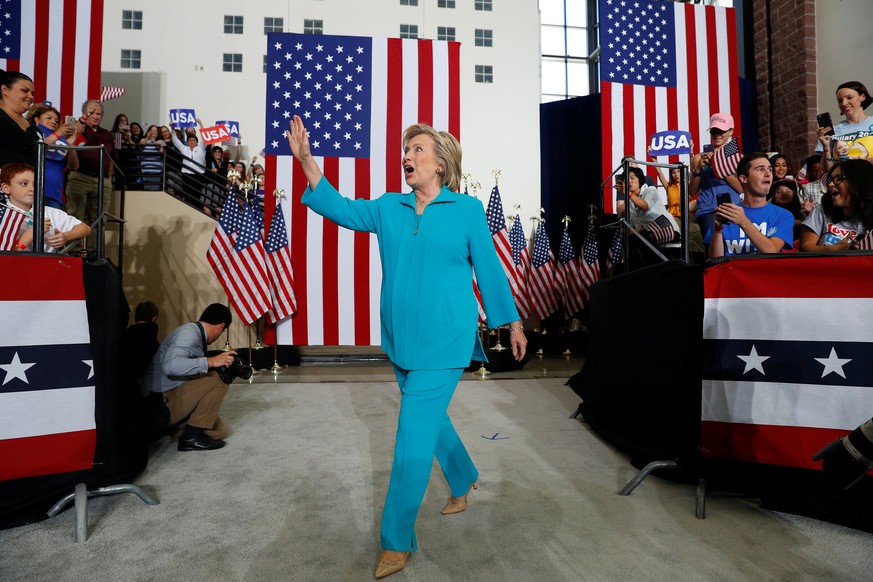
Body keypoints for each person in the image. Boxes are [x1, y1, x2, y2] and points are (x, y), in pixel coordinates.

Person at [286, 114, 526, 579]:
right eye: (406, 151)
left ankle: (396, 540)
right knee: (430, 422)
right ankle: (463, 477)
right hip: (400, 342)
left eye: (418, 150)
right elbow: (340, 208)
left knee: (409, 441)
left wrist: (511, 322)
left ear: (441, 163)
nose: (407, 157)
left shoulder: (467, 209)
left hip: (447, 340)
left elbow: (490, 270)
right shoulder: (388, 208)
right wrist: (308, 163)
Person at [139, 303, 235, 451]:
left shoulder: (196, 333)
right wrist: (211, 361)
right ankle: (190, 437)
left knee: (220, 431)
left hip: (171, 395)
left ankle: (179, 431)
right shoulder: (189, 333)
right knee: (220, 378)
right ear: (220, 327)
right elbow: (170, 366)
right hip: (156, 404)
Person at [707, 153, 794, 258]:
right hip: (732, 273)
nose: (768, 174)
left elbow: (771, 251)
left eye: (770, 169)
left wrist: (743, 221)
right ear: (743, 178)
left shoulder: (783, 215)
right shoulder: (729, 212)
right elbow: (715, 261)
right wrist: (717, 231)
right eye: (760, 169)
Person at [1, 162, 91, 253]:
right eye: (24, 184)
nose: (32, 188)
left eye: (35, 184)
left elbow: (85, 228)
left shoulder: (51, 212)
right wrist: (31, 234)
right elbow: (7, 256)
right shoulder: (3, 216)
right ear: (6, 188)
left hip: (48, 263)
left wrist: (65, 236)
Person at [66, 100, 114, 247]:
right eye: (91, 112)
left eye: (98, 113)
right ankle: (72, 253)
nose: (95, 116)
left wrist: (108, 180)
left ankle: (95, 255)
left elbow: (111, 158)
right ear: (84, 114)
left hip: (102, 180)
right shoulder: (78, 128)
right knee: (75, 216)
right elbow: (76, 130)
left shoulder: (106, 134)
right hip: (80, 177)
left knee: (99, 220)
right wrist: (83, 118)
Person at [799, 159, 873, 252]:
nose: (830, 184)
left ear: (858, 182)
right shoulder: (821, 211)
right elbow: (804, 248)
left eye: (839, 179)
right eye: (830, 180)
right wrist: (832, 249)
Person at [689, 112, 743, 239]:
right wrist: (698, 169)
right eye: (714, 131)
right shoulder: (698, 158)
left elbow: (741, 188)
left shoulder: (738, 158)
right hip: (707, 209)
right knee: (711, 250)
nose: (717, 135)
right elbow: (692, 191)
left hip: (732, 207)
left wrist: (719, 167)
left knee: (732, 248)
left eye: (721, 131)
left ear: (730, 131)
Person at [27, 103, 79, 209]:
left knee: (52, 225)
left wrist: (71, 145)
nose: (53, 121)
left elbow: (73, 166)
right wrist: (58, 133)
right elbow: (38, 147)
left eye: (56, 120)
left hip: (54, 194)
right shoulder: (31, 133)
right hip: (32, 191)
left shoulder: (62, 140)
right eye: (49, 118)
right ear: (37, 119)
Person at [817, 81, 873, 172]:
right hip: (845, 183)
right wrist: (825, 146)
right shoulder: (832, 132)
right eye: (840, 100)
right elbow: (827, 171)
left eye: (849, 97)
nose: (844, 103)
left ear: (862, 97)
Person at [624, 166, 680, 247]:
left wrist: (628, 193)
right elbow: (634, 224)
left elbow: (645, 206)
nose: (629, 181)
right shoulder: (630, 202)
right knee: (626, 239)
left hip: (667, 229)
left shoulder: (650, 190)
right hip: (649, 232)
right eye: (626, 179)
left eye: (632, 178)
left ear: (640, 179)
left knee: (635, 240)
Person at [0, 71, 40, 168]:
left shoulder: (35, 130)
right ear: (5, 90)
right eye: (24, 91)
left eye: (32, 93)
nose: (30, 96)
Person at [768, 177, 804, 247]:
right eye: (778, 192)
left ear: (794, 195)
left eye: (787, 191)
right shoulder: (768, 214)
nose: (783, 194)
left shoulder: (802, 214)